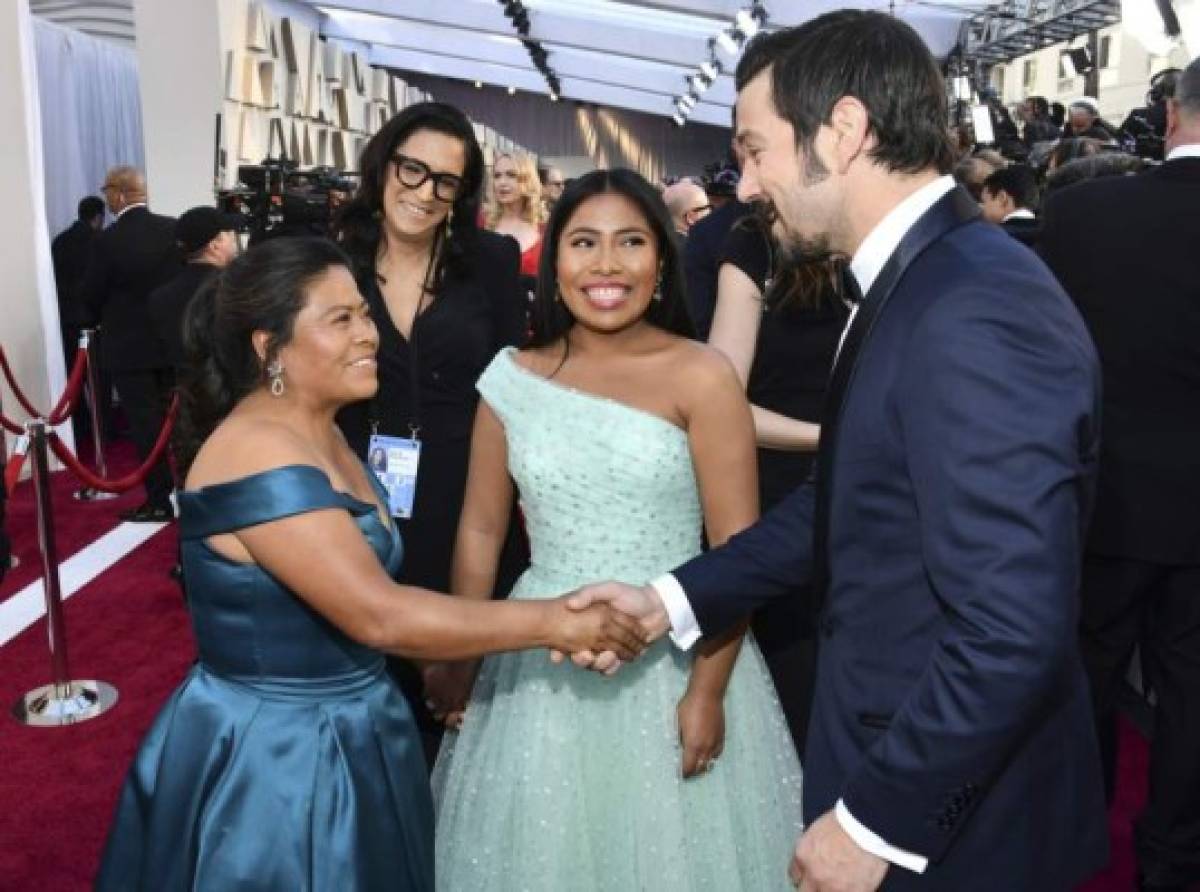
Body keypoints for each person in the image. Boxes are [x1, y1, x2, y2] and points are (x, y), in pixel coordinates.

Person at [566, 13, 1108, 890]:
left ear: (844, 131)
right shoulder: (921, 281)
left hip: (959, 829)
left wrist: (873, 822)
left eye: (756, 150)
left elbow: (1013, 626)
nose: (745, 184)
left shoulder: (972, 309)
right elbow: (842, 502)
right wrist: (669, 600)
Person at [94, 237, 646, 892]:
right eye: (341, 320)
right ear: (270, 348)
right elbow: (376, 613)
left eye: (364, 313)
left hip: (354, 728)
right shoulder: (257, 450)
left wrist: (435, 666)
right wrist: (559, 621)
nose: (369, 335)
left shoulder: (322, 429)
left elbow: (362, 592)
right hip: (277, 761)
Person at [427, 169, 804, 890]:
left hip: (676, 656)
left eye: (630, 242)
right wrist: (462, 655)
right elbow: (480, 530)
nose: (606, 265)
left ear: (660, 260)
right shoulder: (510, 377)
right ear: (552, 259)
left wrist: (707, 693)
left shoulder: (702, 375)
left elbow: (738, 551)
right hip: (537, 665)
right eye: (584, 243)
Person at [1038, 55, 1200, 892]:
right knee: (1192, 697)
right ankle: (1174, 861)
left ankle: (1074, 840)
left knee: (1082, 679)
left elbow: (1042, 360)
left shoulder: (1082, 214)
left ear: (1171, 115)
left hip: (1106, 501)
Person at [330, 102, 530, 763]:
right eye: (412, 170)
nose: (424, 193)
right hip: (361, 491)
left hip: (471, 489)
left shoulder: (493, 261)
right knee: (377, 700)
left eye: (446, 180)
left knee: (479, 717)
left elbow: (515, 388)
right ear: (384, 164)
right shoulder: (333, 261)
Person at [708, 213, 848, 752]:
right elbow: (720, 401)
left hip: (883, 505)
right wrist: (834, 436)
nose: (747, 182)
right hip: (782, 499)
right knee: (794, 701)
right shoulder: (756, 242)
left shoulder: (896, 244)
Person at [81, 166, 181, 521]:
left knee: (145, 424)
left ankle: (158, 499)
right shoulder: (172, 229)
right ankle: (191, 493)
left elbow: (91, 293)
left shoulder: (106, 241)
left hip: (128, 347)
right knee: (181, 423)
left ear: (120, 194)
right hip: (171, 343)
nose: (106, 198)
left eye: (108, 191)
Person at [148, 206, 240, 371]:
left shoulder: (160, 297)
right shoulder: (237, 290)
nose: (235, 239)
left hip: (185, 389)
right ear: (215, 245)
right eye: (230, 234)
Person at [51, 195, 106, 443]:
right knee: (100, 377)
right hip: (94, 319)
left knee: (73, 376)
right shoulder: (100, 242)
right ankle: (104, 428)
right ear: (98, 218)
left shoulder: (59, 242)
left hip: (66, 318)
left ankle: (80, 425)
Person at [485, 151, 544, 279]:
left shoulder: (546, 228)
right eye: (497, 176)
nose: (502, 182)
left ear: (527, 180)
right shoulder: (482, 221)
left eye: (511, 175)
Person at [978, 164, 1040, 246]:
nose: (981, 208)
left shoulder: (992, 239)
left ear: (1002, 198)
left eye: (984, 201)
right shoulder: (1051, 235)